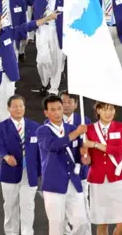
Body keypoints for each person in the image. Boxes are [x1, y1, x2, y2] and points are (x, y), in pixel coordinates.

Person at [0, 10, 58, 148]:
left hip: (8, 78)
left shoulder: (8, 33)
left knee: (6, 109)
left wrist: (48, 18)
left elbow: (28, 26)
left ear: (1, 21)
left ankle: (4, 138)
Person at [36, 94, 89, 235]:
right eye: (53, 110)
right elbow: (54, 146)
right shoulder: (42, 131)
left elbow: (78, 155)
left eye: (59, 108)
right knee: (57, 226)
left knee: (82, 222)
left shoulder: (71, 127)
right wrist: (77, 132)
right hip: (54, 183)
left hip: (73, 181)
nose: (57, 112)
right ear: (46, 113)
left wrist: (84, 159)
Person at [0, 95, 42, 235]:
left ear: (25, 108)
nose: (18, 109)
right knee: (10, 206)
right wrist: (6, 156)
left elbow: (40, 151)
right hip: (10, 172)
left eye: (21, 106)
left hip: (30, 174)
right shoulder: (1, 127)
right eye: (14, 106)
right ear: (8, 108)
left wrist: (41, 172)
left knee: (27, 206)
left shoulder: (35, 127)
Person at [82, 102, 122, 235]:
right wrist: (85, 156)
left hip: (117, 178)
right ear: (98, 111)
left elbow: (118, 151)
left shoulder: (121, 127)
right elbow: (87, 159)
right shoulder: (88, 129)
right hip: (98, 180)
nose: (108, 113)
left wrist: (94, 144)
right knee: (102, 222)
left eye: (111, 109)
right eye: (104, 109)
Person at [60, 91, 93, 235]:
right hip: (61, 172)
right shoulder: (53, 121)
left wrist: (86, 154)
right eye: (64, 102)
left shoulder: (84, 120)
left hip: (82, 172)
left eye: (70, 102)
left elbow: (89, 143)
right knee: (62, 206)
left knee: (84, 203)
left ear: (76, 104)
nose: (67, 105)